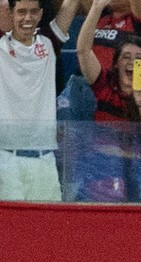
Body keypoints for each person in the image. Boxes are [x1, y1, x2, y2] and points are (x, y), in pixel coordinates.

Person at [76, 0, 141, 201]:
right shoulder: (105, 86)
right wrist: (97, 7)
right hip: (103, 166)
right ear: (116, 65)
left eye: (138, 57)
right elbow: (83, 51)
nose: (132, 61)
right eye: (125, 56)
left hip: (138, 169)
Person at [0, 0, 79, 201]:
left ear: (41, 13)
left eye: (33, 12)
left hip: (44, 159)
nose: (27, 18)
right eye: (21, 12)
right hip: (6, 159)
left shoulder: (48, 43)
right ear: (10, 13)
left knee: (49, 229)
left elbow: (70, 5)